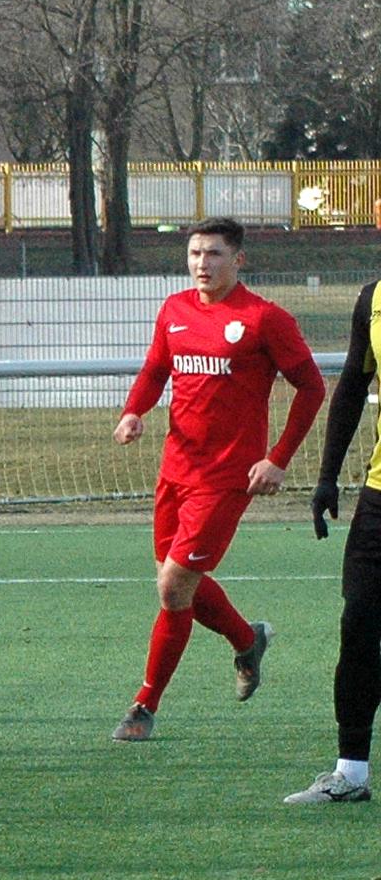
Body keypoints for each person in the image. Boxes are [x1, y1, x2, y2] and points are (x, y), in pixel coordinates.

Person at [109, 217, 325, 743]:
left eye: (214, 254)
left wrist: (276, 458)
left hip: (228, 476)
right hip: (175, 470)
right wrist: (134, 411)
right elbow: (156, 370)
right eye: (195, 254)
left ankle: (143, 706)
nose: (202, 264)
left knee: (173, 584)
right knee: (178, 585)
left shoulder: (264, 319)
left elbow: (312, 388)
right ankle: (246, 640)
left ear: (238, 259)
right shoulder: (175, 309)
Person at [288, 278, 379, 803]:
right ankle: (351, 773)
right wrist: (327, 476)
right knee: (360, 623)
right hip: (378, 494)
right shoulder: (372, 298)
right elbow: (350, 385)